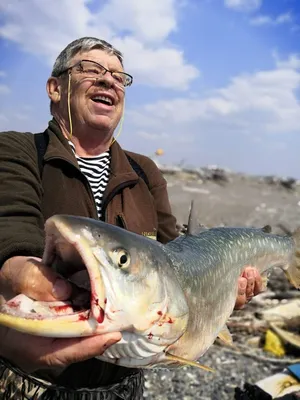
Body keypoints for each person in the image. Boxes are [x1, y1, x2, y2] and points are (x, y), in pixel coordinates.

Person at [0, 37, 263, 399]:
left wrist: (216, 293)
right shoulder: (17, 149)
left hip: (126, 383)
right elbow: (9, 223)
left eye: (119, 77)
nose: (108, 81)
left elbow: (176, 258)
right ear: (55, 88)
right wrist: (20, 273)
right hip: (30, 380)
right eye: (90, 70)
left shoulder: (144, 170)